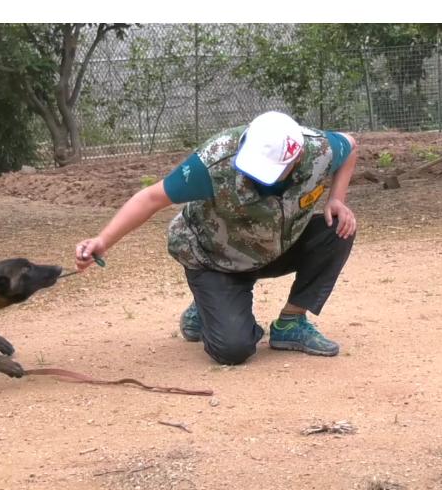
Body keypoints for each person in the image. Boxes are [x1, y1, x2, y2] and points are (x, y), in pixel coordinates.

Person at [74, 111, 358, 366]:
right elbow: (151, 198)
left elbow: (351, 147)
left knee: (339, 228)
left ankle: (291, 323)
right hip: (214, 256)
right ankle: (205, 307)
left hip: (274, 244)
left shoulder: (319, 148)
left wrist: (337, 199)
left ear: (296, 158)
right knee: (233, 350)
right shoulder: (214, 160)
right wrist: (103, 240)